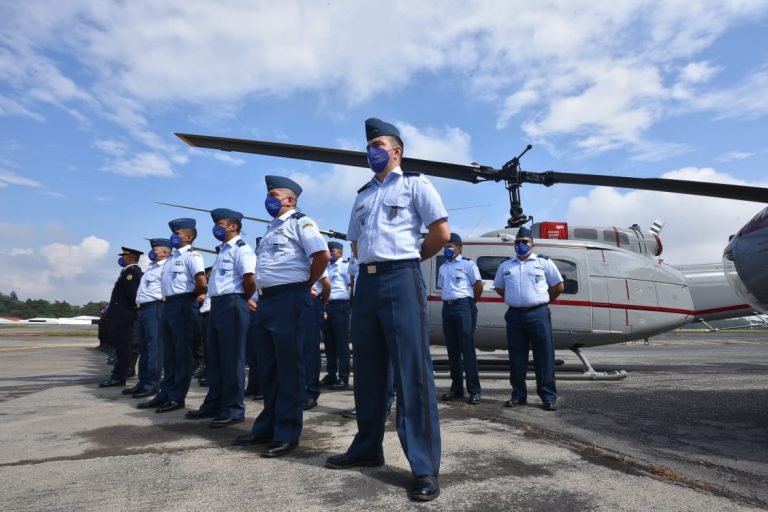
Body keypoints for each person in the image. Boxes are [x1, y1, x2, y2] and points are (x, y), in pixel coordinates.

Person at [325, 118, 449, 502]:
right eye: (369, 146)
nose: (371, 150)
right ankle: (367, 446)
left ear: (396, 151)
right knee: (368, 369)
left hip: (401, 277)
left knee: (411, 371)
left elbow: (441, 233)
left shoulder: (415, 184)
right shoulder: (362, 195)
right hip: (367, 282)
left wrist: (408, 260)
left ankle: (424, 467)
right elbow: (356, 243)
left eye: (378, 144)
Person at [233, 175, 329, 458]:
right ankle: (267, 427)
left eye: (273, 195)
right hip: (267, 300)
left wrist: (305, 284)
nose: (268, 199)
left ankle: (287, 433)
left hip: (290, 297)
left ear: (290, 199)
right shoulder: (271, 229)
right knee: (268, 367)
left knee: (289, 368)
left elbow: (322, 255)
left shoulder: (301, 222)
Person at [186, 208, 256, 428]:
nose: (216, 228)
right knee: (214, 359)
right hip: (217, 305)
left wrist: (243, 298)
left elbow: (250, 279)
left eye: (220, 224)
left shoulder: (242, 249)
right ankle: (214, 403)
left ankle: (233, 409)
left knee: (232, 360)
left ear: (233, 226)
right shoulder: (223, 251)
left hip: (233, 303)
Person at [137, 218, 206, 413]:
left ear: (188, 237)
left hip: (183, 303)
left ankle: (177, 397)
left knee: (182, 352)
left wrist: (191, 297)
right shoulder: (171, 259)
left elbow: (201, 281)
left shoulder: (192, 256)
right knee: (169, 353)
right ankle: (165, 393)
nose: (173, 236)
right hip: (168, 304)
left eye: (177, 234)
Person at [493, 226, 564, 411]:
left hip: (538, 314)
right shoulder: (506, 265)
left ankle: (548, 396)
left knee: (544, 356)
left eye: (525, 242)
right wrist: (515, 300)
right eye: (518, 242)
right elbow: (500, 288)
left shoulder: (544, 262)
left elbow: (558, 286)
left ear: (533, 244)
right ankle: (518, 395)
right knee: (516, 357)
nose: (521, 245)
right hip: (515, 315)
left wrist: (541, 301)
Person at [438, 233, 484, 404]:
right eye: (445, 246)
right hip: (447, 307)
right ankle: (457, 389)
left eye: (450, 246)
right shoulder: (443, 267)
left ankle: (474, 390)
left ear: (459, 248)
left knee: (467, 349)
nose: (446, 249)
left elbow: (478, 285)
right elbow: (442, 286)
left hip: (463, 306)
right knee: (452, 350)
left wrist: (470, 303)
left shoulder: (467, 264)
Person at [123, 238, 171, 398]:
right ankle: (142, 382)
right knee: (143, 347)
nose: (152, 252)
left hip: (155, 307)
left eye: (155, 250)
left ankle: (152, 384)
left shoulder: (166, 267)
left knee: (154, 348)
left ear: (165, 253)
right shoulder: (151, 267)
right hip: (143, 308)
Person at [99, 247, 143, 388]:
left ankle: (119, 377)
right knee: (121, 347)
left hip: (125, 315)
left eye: (123, 256)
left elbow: (133, 295)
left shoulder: (131, 272)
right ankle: (119, 374)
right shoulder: (126, 272)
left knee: (124, 348)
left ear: (129, 258)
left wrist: (131, 310)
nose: (121, 259)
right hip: (121, 315)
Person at [320, 241, 352, 389]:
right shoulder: (325, 267)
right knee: (329, 342)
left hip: (340, 305)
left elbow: (351, 285)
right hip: (326, 305)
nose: (330, 254)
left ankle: (343, 377)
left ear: (340, 252)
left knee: (341, 343)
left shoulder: (344, 266)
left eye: (332, 251)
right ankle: (331, 374)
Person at [304, 268, 330, 410]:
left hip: (310, 302)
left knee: (310, 349)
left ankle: (311, 392)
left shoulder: (312, 258)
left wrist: (321, 304)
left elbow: (326, 285)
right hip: (288, 300)